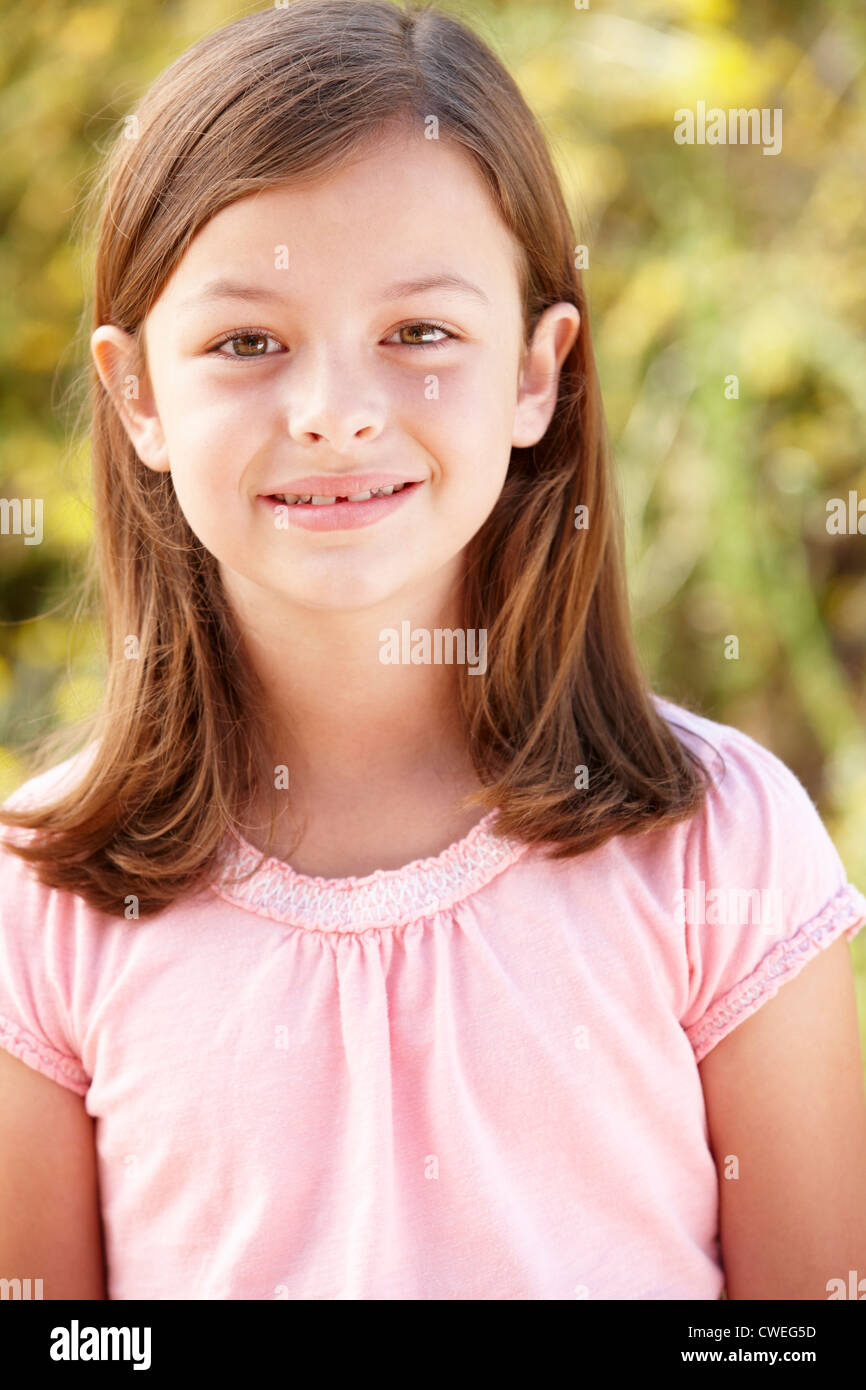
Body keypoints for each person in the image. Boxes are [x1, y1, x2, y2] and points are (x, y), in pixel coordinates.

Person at [1, 0, 864, 1301]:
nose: (337, 414)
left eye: (418, 334)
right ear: (137, 395)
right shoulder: (40, 900)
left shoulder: (722, 843)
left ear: (534, 370)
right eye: (247, 343)